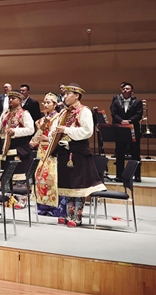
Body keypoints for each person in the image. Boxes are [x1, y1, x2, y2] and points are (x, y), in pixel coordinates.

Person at [49, 84, 106, 227]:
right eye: (64, 94)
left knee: (79, 186)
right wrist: (54, 134)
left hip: (78, 153)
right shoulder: (63, 112)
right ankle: (69, 215)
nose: (65, 97)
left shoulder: (84, 111)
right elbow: (55, 129)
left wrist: (66, 130)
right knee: (68, 185)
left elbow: (87, 131)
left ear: (76, 96)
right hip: (64, 152)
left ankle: (78, 217)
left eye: (68, 94)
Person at [31, 93, 65, 217]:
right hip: (41, 150)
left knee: (52, 178)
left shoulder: (59, 118)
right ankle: (43, 206)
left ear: (55, 105)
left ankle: (55, 207)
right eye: (44, 102)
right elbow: (37, 136)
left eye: (48, 102)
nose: (45, 104)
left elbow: (58, 135)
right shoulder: (42, 120)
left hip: (52, 150)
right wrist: (34, 140)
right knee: (40, 177)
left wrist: (47, 138)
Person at [0, 90, 35, 176]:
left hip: (19, 147)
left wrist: (15, 131)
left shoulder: (25, 113)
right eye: (9, 98)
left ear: (20, 100)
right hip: (5, 147)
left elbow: (31, 130)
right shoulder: (5, 113)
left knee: (18, 175)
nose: (10, 100)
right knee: (6, 175)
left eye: (13, 98)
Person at [110, 82, 143, 182]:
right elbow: (113, 113)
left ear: (132, 91)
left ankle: (137, 176)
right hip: (120, 130)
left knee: (135, 153)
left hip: (133, 130)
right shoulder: (116, 102)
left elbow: (139, 115)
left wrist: (129, 121)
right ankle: (119, 175)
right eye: (123, 89)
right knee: (119, 153)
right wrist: (121, 121)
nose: (125, 90)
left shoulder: (137, 102)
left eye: (127, 89)